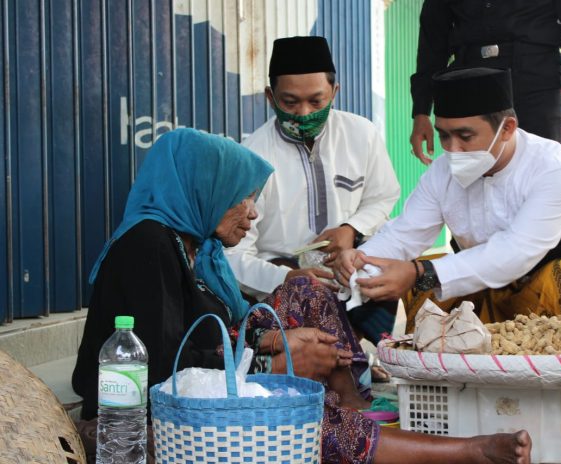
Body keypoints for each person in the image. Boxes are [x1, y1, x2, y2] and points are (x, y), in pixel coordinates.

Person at [72, 127, 532, 464]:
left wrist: (270, 343)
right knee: (296, 419)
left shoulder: (195, 245)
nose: (253, 214)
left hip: (199, 374)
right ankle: (469, 452)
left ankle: (351, 401)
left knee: (302, 285)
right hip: (150, 415)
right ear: (203, 189)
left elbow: (212, 331)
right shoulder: (149, 245)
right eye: (243, 198)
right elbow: (167, 369)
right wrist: (267, 359)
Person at [335, 68, 561, 333]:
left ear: (507, 128)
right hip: (488, 291)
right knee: (420, 285)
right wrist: (360, 261)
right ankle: (445, 381)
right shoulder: (442, 172)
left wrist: (421, 272)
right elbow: (403, 235)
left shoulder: (553, 166)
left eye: (465, 136)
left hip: (554, 287)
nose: (453, 148)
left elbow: (516, 251)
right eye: (444, 136)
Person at [225, 36, 401, 347]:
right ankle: (339, 362)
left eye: (316, 102)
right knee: (304, 301)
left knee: (388, 261)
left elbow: (383, 197)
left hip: (347, 264)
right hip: (283, 275)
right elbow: (235, 256)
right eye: (290, 102)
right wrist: (284, 279)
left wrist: (351, 228)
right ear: (270, 97)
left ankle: (358, 350)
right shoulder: (251, 158)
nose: (304, 113)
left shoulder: (362, 134)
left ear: (335, 92)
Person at [409, 0, 561, 163]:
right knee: (473, 178)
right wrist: (421, 111)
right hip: (469, 81)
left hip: (535, 82)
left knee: (540, 167)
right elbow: (432, 41)